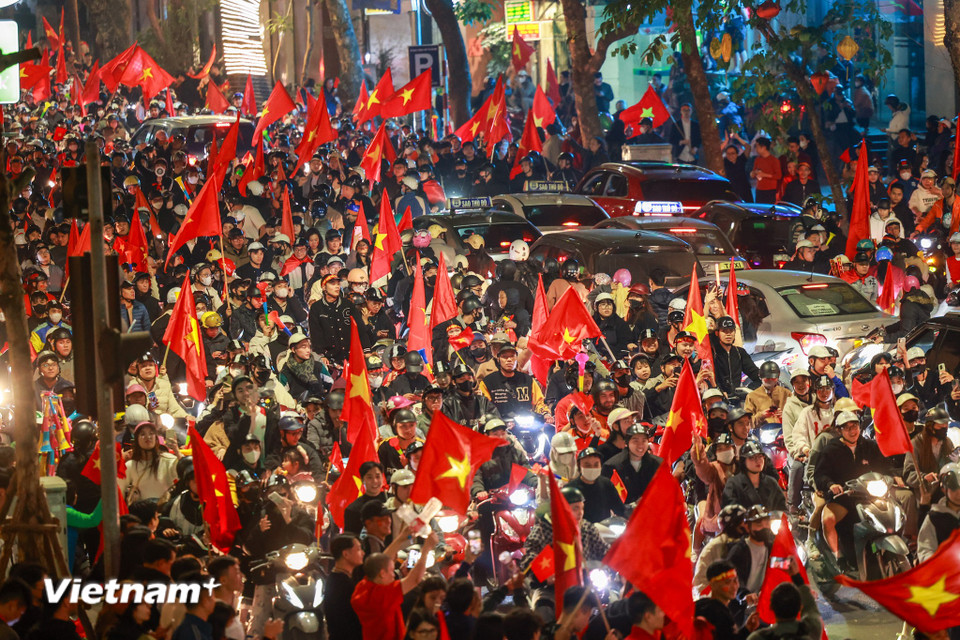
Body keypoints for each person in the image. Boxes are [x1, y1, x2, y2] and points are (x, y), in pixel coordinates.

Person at [351, 532, 440, 640]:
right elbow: (415, 579)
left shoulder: (362, 587)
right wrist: (427, 548)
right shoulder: (383, 596)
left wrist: (402, 538)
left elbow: (382, 561)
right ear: (382, 573)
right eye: (392, 571)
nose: (394, 575)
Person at [746, 557, 823, 640]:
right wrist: (797, 577)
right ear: (800, 607)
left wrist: (746, 630)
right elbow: (810, 608)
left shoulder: (758, 637)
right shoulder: (810, 631)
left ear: (771, 607)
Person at [602, 423, 663, 504]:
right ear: (627, 442)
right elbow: (606, 498)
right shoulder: (611, 466)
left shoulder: (659, 464)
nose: (640, 445)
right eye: (636, 441)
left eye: (644, 440)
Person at [568, 447, 625, 523]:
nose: (592, 468)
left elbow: (620, 509)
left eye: (596, 464)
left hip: (605, 530)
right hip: (581, 531)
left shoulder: (606, 484)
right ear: (579, 466)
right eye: (587, 465)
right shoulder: (571, 489)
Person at [917, 462, 960, 562]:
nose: (959, 494)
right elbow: (925, 550)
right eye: (954, 488)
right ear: (944, 489)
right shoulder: (934, 518)